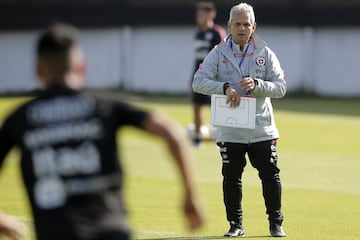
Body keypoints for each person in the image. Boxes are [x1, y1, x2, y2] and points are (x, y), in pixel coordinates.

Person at [0, 23, 204, 240]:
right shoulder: (105, 106)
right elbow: (171, 133)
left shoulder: (20, 119)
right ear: (81, 67)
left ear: (39, 71)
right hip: (112, 232)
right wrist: (190, 194)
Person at [192, 2, 286, 238]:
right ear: (229, 25)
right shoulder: (218, 52)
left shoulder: (265, 52)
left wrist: (258, 85)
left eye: (246, 24)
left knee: (270, 175)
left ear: (254, 26)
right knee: (231, 177)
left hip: (261, 127)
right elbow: (198, 82)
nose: (242, 28)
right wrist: (224, 88)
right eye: (238, 24)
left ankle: (276, 224)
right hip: (230, 127)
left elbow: (281, 87)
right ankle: (236, 224)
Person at [190, 1, 226, 146]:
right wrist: (191, 79)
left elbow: (223, 55)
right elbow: (197, 59)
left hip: (214, 78)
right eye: (198, 13)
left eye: (202, 13)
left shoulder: (217, 33)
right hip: (200, 76)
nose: (199, 16)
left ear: (211, 14)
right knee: (197, 106)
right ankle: (198, 138)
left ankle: (223, 138)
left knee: (218, 109)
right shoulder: (198, 33)